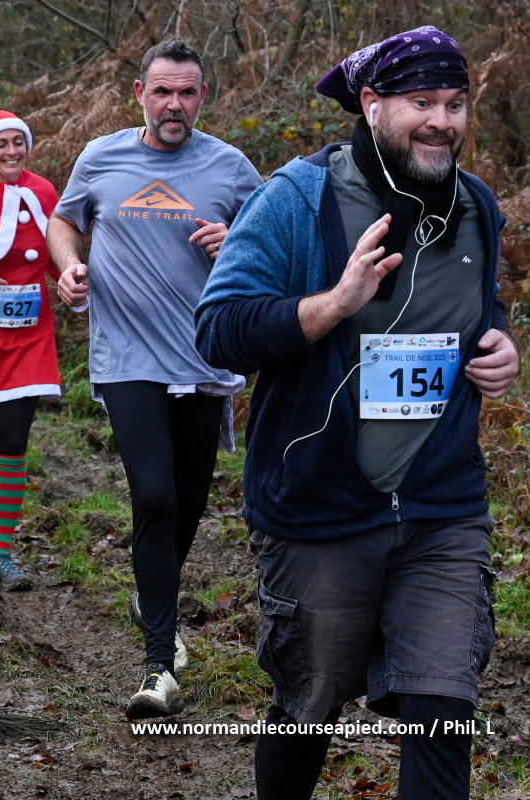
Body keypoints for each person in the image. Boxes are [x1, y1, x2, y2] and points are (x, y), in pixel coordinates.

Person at [195, 26, 519, 800]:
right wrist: (333, 304)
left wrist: (500, 345)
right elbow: (219, 330)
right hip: (319, 506)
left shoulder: (476, 205)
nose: (442, 121)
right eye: (421, 102)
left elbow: (482, 308)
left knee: (443, 706)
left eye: (455, 103)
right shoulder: (296, 199)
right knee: (307, 707)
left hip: (442, 505)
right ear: (372, 104)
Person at [47, 37, 262, 719]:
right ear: (139, 94)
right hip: (127, 361)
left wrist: (236, 241)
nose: (174, 104)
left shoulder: (230, 166)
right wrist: (68, 266)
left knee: (188, 503)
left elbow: (275, 243)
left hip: (203, 360)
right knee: (155, 494)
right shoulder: (101, 157)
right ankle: (158, 667)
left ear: (203, 97)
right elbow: (64, 220)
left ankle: (153, 593)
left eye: (187, 92)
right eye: (162, 91)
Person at [0, 110, 61, 591]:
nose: (11, 151)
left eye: (18, 142)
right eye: (1, 144)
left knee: (12, 442)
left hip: (27, 336)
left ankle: (0, 551)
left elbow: (60, 252)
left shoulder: (43, 192)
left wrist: (76, 287)